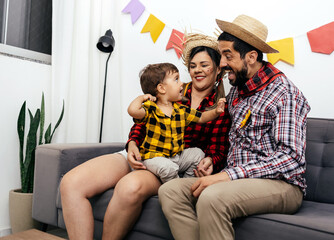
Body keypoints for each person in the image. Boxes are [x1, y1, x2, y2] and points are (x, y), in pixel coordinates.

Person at [59, 33, 231, 240]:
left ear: (218, 68)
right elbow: (142, 120)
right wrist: (132, 143)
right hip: (143, 152)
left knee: (128, 187)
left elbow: (219, 148)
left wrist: (211, 160)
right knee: (71, 183)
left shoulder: (220, 106)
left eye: (204, 65)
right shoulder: (172, 90)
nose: (198, 70)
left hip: (169, 164)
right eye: (193, 66)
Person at [158, 15, 311, 240]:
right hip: (238, 180)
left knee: (212, 197)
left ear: (251, 56)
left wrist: (228, 175)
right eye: (221, 55)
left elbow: (290, 159)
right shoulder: (237, 91)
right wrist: (212, 161)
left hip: (281, 185)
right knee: (170, 191)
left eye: (227, 55)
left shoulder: (284, 93)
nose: (221, 63)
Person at [127, 63, 226, 183]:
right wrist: (142, 98)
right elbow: (132, 110)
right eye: (176, 79)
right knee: (168, 168)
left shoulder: (180, 109)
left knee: (198, 154)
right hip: (154, 158)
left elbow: (201, 117)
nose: (182, 83)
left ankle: (186, 183)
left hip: (176, 156)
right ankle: (175, 187)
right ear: (162, 88)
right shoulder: (150, 108)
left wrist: (216, 111)